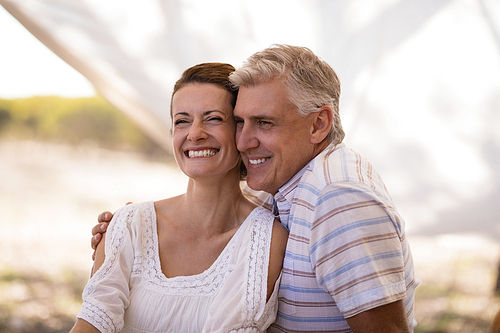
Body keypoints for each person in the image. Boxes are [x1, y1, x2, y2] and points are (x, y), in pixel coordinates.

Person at [92, 44, 418, 332]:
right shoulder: (287, 184)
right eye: (240, 122)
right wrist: (130, 231)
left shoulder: (337, 201)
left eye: (264, 123)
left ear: (318, 124)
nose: (245, 141)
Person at [71, 62, 288, 333]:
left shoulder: (264, 237)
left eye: (213, 118)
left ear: (241, 130)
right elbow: (92, 323)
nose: (195, 134)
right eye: (182, 121)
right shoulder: (129, 224)